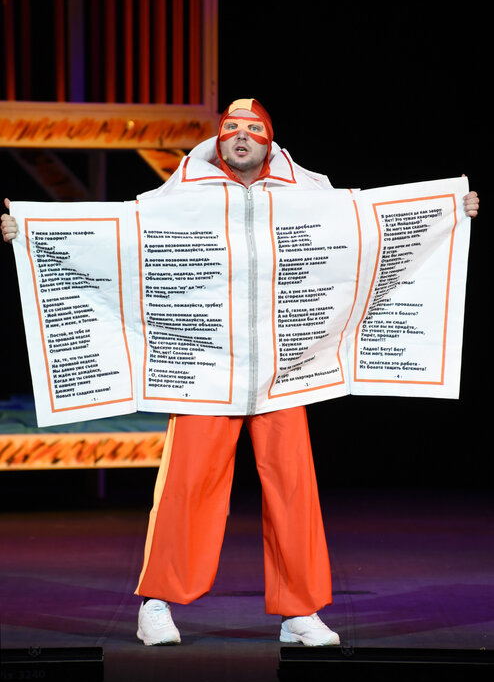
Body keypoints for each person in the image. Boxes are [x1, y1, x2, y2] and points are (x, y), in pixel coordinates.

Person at [1, 99, 480, 648]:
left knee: (293, 489)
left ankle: (300, 611)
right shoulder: (181, 192)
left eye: (253, 129)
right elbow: (120, 238)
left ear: (269, 140)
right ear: (220, 139)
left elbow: (367, 229)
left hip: (283, 366)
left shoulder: (308, 190)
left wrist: (449, 210)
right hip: (206, 367)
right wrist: (32, 231)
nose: (241, 136)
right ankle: (156, 603)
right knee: (187, 487)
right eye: (231, 129)